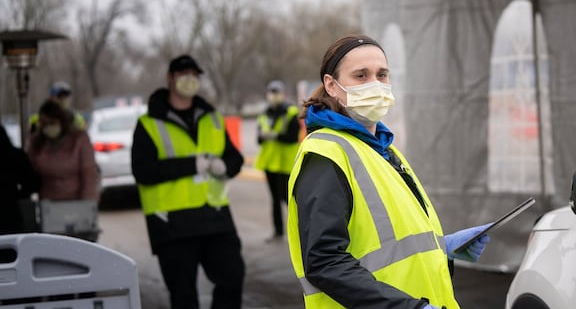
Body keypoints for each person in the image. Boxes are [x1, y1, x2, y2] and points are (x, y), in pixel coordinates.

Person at [287, 35, 491, 309]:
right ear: (331, 86)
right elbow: (325, 262)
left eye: (382, 74)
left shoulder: (384, 149)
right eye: (361, 75)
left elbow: (384, 243)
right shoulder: (325, 154)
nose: (375, 84)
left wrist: (443, 247)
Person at [131, 54, 245, 309]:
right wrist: (190, 165)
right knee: (183, 296)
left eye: (195, 75)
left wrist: (224, 165)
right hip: (171, 222)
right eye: (184, 75)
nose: (190, 80)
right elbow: (143, 171)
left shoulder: (211, 117)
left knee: (232, 278)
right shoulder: (148, 124)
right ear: (170, 78)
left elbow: (234, 158)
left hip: (214, 216)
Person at [254, 79, 301, 242]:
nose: (274, 96)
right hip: (270, 162)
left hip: (286, 163)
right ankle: (278, 231)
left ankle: (299, 230)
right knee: (274, 199)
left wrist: (275, 136)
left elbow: (293, 137)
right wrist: (262, 137)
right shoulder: (264, 114)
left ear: (283, 94)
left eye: (277, 92)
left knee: (286, 198)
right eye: (271, 92)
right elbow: (258, 140)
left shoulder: (291, 112)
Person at [26, 100, 98, 203]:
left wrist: (87, 204)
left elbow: (88, 174)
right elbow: (31, 171)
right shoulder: (36, 143)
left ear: (61, 121)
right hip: (48, 203)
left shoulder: (79, 140)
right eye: (44, 123)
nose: (48, 127)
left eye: (52, 122)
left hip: (77, 201)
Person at [0, 125, 41, 235]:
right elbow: (33, 182)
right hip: (10, 213)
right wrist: (17, 194)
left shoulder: (13, 155)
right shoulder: (14, 155)